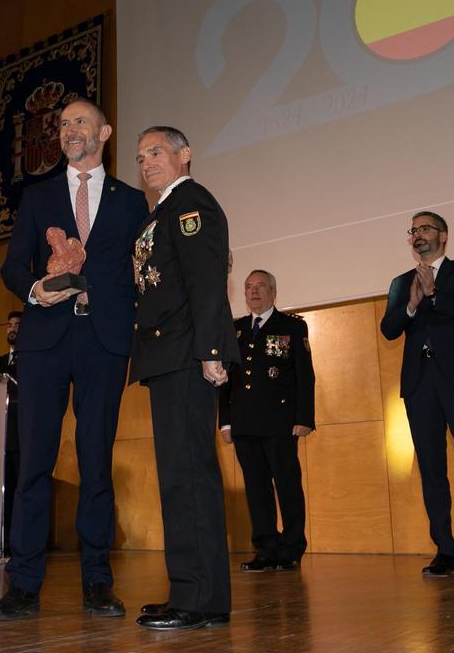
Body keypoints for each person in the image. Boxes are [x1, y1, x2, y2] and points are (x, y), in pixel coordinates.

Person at [0, 100, 149, 621]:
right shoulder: (37, 197)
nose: (68, 130)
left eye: (79, 121)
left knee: (96, 460)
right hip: (43, 344)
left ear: (104, 131)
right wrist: (34, 288)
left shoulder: (131, 202)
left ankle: (97, 581)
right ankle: (24, 584)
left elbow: (144, 271)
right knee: (33, 461)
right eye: (62, 124)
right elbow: (12, 266)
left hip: (103, 341)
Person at [129, 126, 238, 631]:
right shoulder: (164, 211)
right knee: (180, 477)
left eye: (156, 151)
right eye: (140, 156)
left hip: (185, 356)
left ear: (184, 154)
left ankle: (198, 599)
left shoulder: (191, 204)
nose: (147, 162)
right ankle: (196, 593)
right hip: (167, 357)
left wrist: (211, 350)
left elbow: (205, 279)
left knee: (189, 476)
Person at [380, 211, 454, 577]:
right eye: (413, 230)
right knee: (431, 469)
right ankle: (444, 550)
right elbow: (388, 329)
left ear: (443, 236)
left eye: (425, 228)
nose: (418, 235)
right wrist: (412, 304)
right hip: (420, 385)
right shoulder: (401, 283)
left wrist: (434, 294)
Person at [219, 269, 315, 571]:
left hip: (280, 422)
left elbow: (304, 376)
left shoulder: (292, 326)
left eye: (260, 286)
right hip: (245, 423)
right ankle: (266, 547)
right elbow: (225, 380)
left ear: (273, 292)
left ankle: (292, 547)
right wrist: (225, 421)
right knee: (256, 488)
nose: (253, 292)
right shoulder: (234, 330)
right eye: (248, 288)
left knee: (287, 485)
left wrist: (304, 418)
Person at [0, 310, 22, 552]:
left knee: (21, 487)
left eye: (17, 325)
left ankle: (22, 540)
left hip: (22, 436)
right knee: (4, 490)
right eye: (9, 324)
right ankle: (3, 541)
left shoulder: (32, 360)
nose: (12, 329)